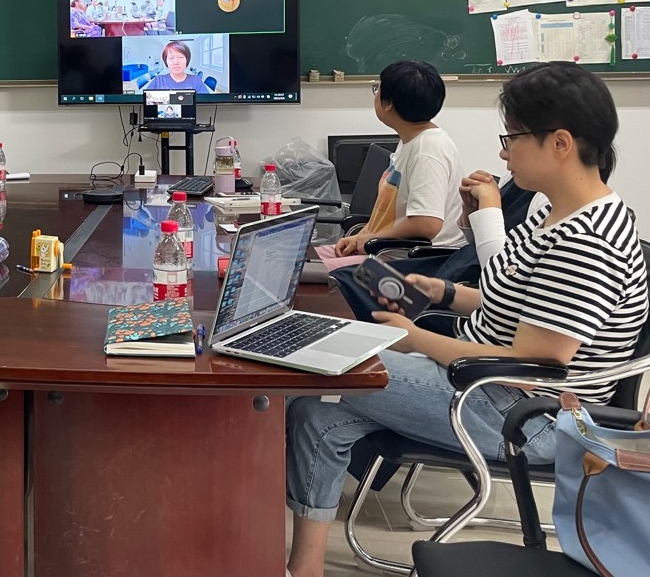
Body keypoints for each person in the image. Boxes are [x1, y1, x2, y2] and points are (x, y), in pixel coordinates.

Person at [286, 62, 647, 577]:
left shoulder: (587, 240)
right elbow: (517, 302)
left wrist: (415, 339)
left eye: (512, 138)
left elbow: (536, 359)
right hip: (490, 388)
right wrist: (446, 291)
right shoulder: (555, 215)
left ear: (560, 143)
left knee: (316, 364)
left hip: (526, 414)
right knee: (316, 413)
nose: (503, 153)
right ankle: (304, 568)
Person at [327, 60, 464, 258]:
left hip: (417, 261)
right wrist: (361, 236)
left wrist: (372, 239)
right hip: (387, 251)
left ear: (388, 103)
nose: (375, 95)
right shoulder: (411, 139)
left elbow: (426, 223)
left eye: (377, 89)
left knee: (305, 271)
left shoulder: (428, 150)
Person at [143, 40, 209, 92]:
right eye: (171, 58)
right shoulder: (158, 80)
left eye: (180, 57)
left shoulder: (196, 81)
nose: (176, 62)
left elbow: (206, 103)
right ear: (166, 61)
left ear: (187, 60)